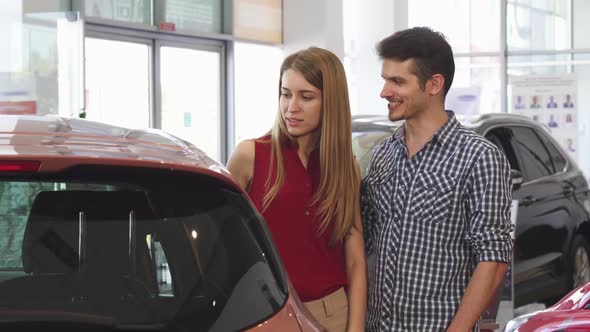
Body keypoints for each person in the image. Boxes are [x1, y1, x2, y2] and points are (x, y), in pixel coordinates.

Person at [361, 27, 513, 331]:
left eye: (398, 81)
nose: (385, 92)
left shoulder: (479, 157)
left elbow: (493, 259)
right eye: (385, 80)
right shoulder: (381, 155)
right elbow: (365, 246)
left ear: (434, 84)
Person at [227, 47, 367, 331]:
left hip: (332, 314)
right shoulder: (250, 155)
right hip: (265, 313)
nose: (291, 107)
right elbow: (222, 244)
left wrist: (355, 328)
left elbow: (354, 260)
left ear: (331, 102)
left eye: (306, 97)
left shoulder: (345, 167)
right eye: (285, 93)